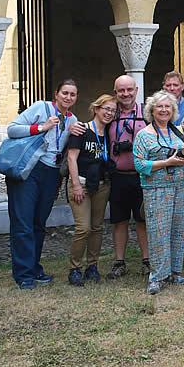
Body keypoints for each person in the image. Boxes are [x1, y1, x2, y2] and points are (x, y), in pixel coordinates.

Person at [5, 79, 83, 289]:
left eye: (72, 94)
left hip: (51, 173)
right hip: (28, 169)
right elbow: (12, 130)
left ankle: (34, 268)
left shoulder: (72, 119)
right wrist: (42, 126)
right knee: (23, 222)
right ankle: (23, 275)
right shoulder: (41, 107)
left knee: (39, 223)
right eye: (64, 93)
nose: (68, 97)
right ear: (56, 94)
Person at [133, 90, 184, 295]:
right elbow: (139, 165)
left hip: (180, 188)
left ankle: (175, 272)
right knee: (158, 232)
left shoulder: (177, 132)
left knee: (178, 230)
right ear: (152, 110)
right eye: (160, 106)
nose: (164, 110)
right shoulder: (144, 135)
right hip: (156, 189)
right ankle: (156, 276)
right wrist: (167, 162)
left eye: (168, 107)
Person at [65, 94, 116, 286]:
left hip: (102, 185)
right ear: (96, 109)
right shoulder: (81, 130)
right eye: (106, 109)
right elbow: (71, 158)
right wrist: (76, 184)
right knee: (83, 228)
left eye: (112, 110)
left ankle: (92, 266)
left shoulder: (110, 133)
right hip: (82, 184)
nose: (109, 113)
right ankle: (75, 268)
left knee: (97, 228)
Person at [106, 75, 150, 280]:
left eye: (129, 90)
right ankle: (119, 262)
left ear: (136, 90)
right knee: (120, 221)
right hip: (118, 177)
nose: (125, 94)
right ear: (115, 92)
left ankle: (147, 260)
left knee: (143, 220)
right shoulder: (109, 114)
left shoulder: (147, 113)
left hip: (142, 177)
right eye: (121, 91)